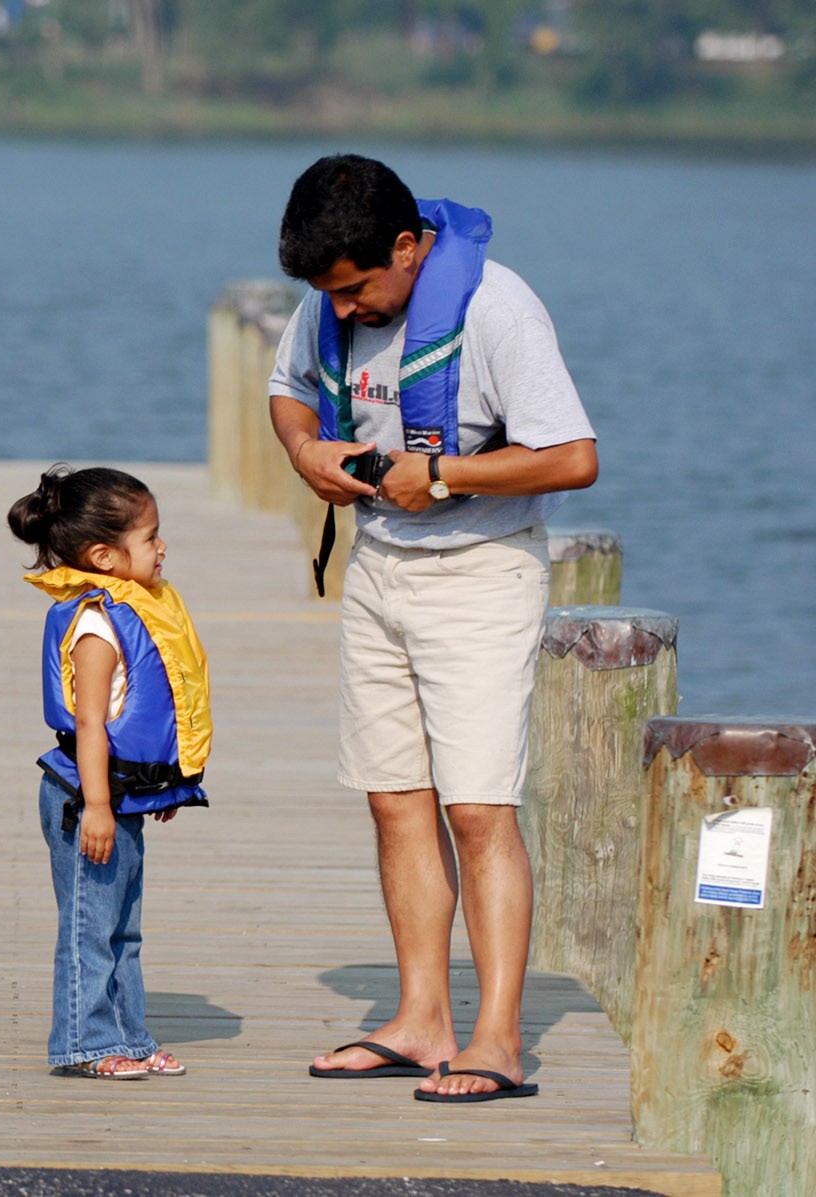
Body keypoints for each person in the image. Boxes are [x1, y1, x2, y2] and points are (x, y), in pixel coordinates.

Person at [268, 154, 598, 1102]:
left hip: (481, 575)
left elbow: (575, 457)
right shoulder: (328, 303)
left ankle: (497, 1038)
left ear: (409, 248)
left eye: (357, 287)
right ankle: (421, 1020)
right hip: (378, 569)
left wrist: (447, 476)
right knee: (394, 797)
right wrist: (306, 451)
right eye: (326, 293)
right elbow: (288, 390)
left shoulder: (497, 309)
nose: (341, 311)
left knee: (479, 809)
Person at [7, 465, 212, 1080]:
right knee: (89, 927)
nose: (162, 548)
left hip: (121, 795)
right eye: (150, 538)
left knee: (124, 928)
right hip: (84, 799)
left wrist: (162, 784)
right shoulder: (97, 623)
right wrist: (97, 806)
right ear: (105, 556)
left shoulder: (136, 608)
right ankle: (84, 1043)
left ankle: (129, 1035)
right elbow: (91, 724)